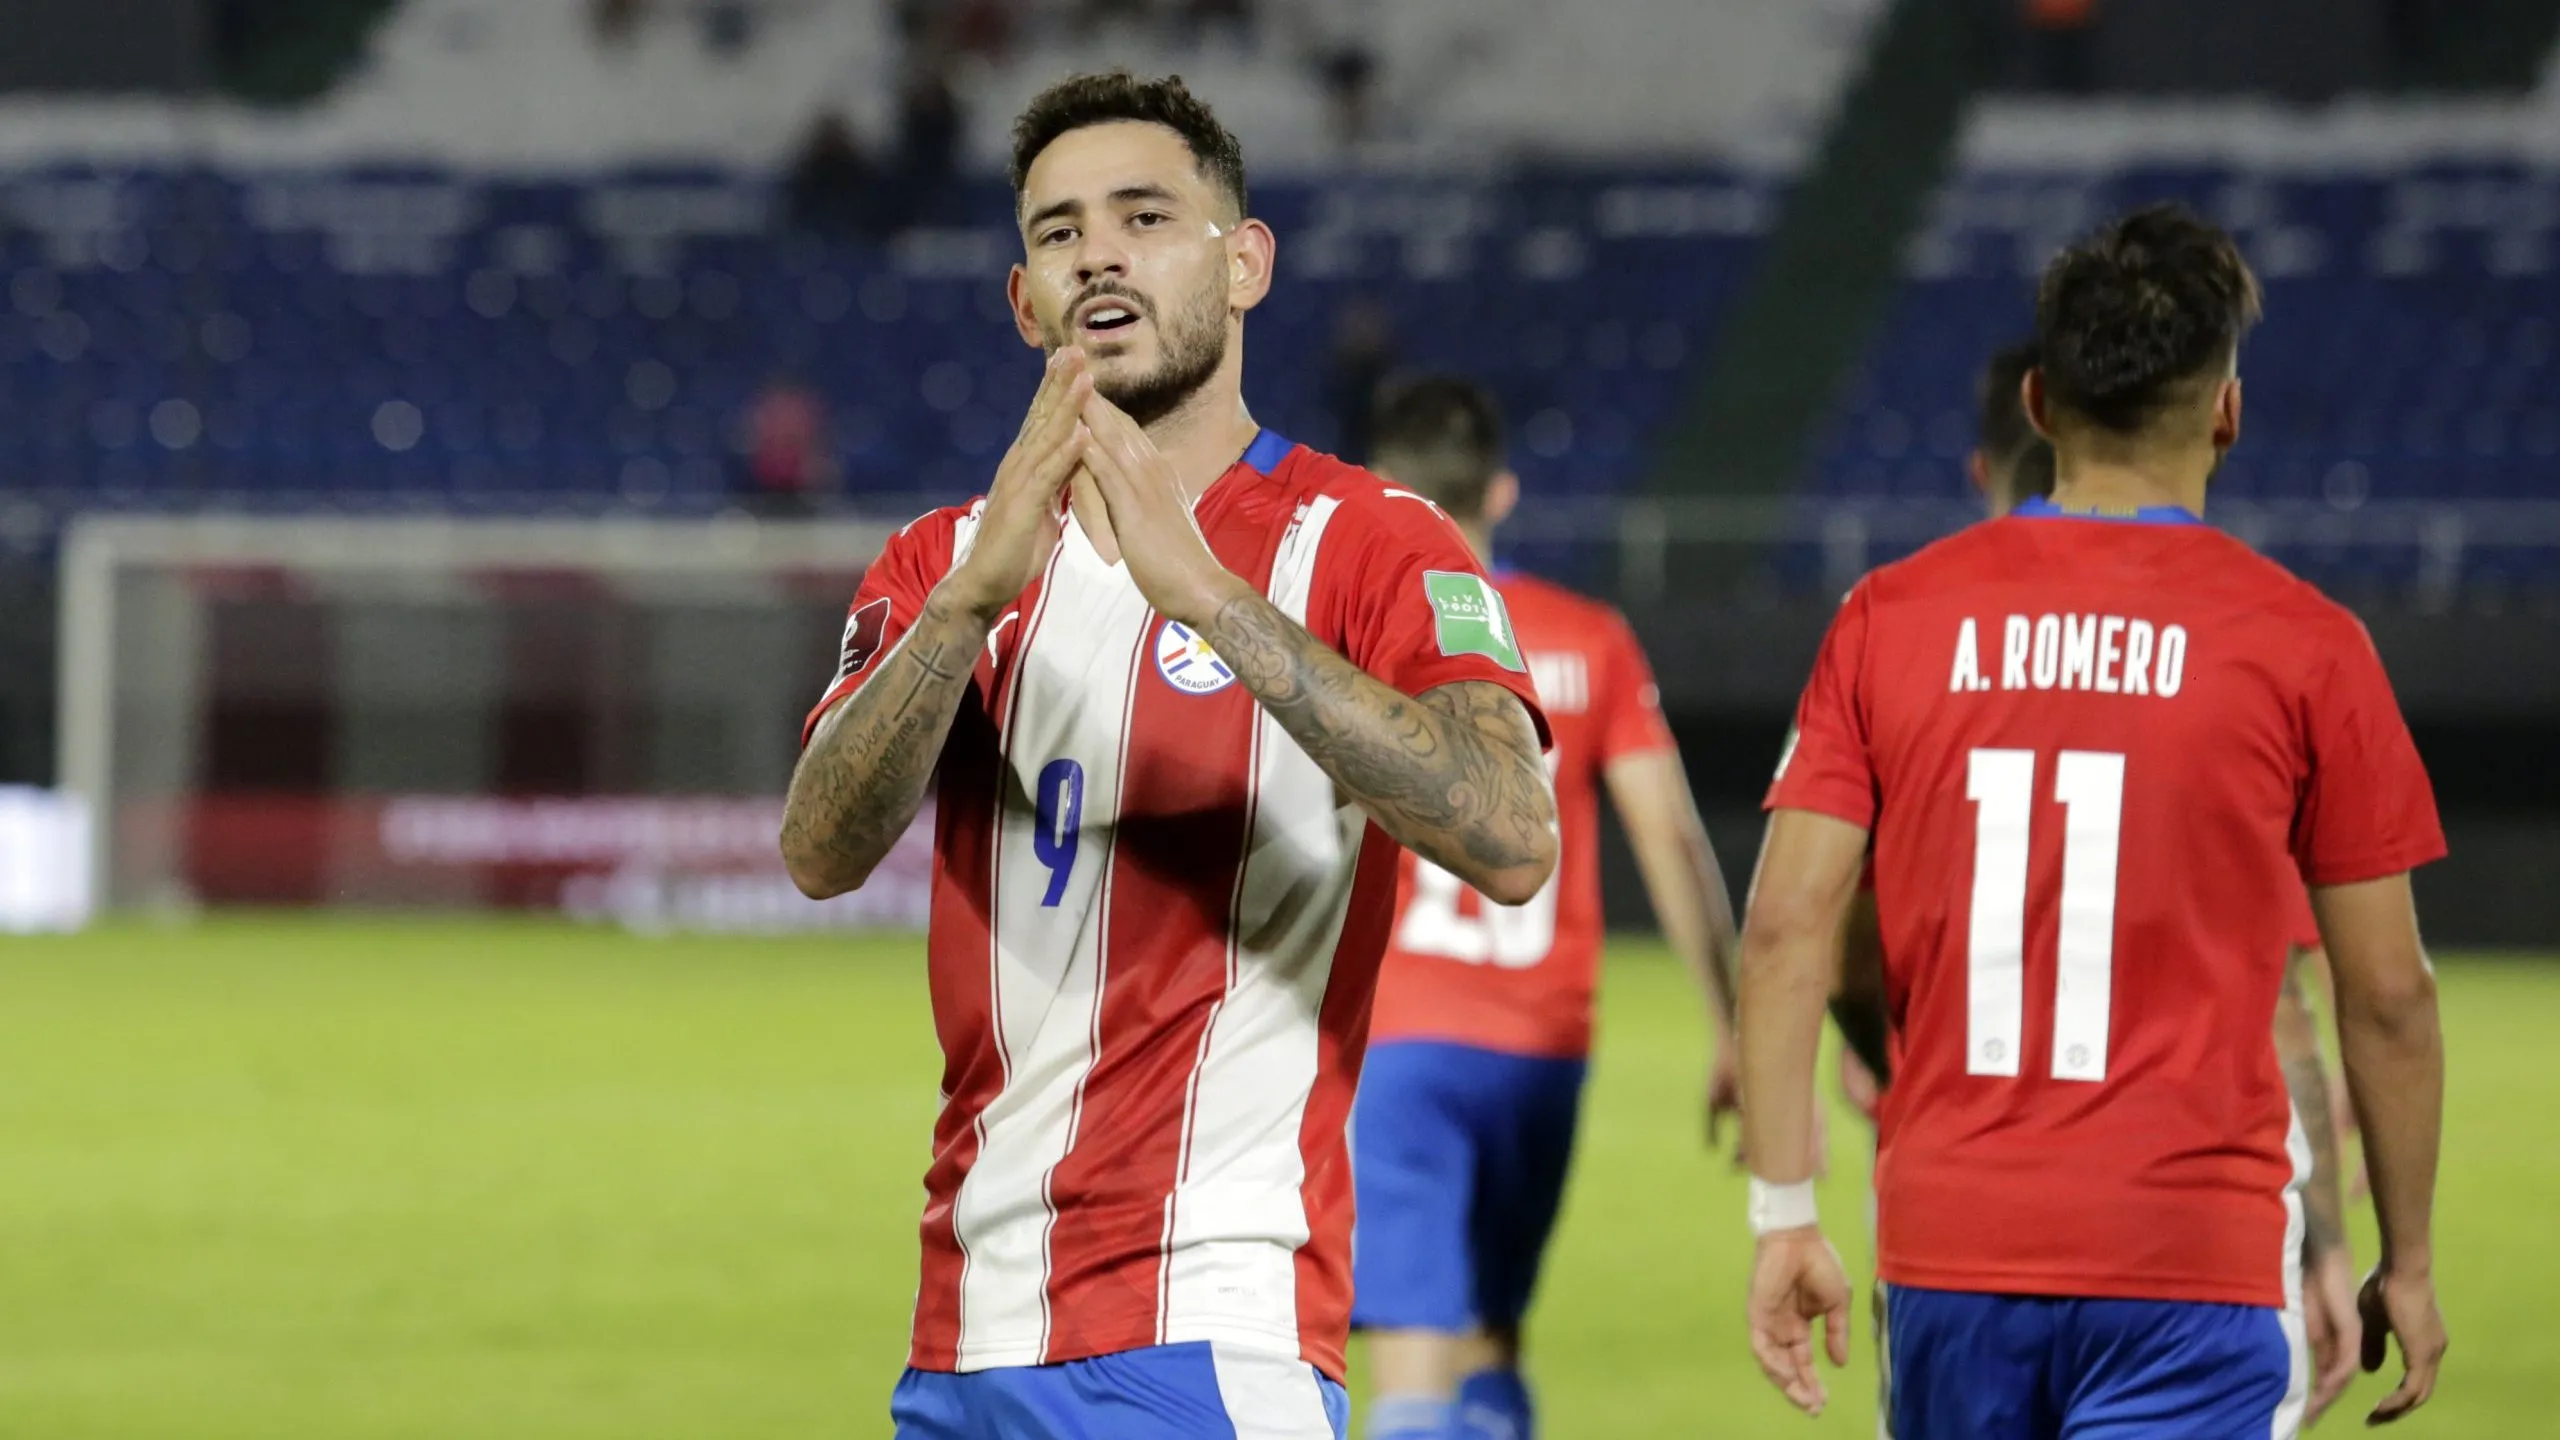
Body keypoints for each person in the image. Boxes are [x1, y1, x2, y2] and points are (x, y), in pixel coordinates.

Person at [779, 73, 1557, 1439]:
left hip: (1213, 1328)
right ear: (1024, 301)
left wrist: (1210, 600)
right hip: (964, 1338)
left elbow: (1510, 833)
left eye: (1144, 217)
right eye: (1060, 231)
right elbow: (819, 852)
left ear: (1243, 262)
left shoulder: (1370, 542)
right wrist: (963, 610)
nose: (1099, 255)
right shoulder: (943, 562)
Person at [1736, 204, 2450, 1436]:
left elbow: (1786, 925)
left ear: (2036, 403)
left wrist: (1783, 1212)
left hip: (1952, 1252)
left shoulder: (1886, 618)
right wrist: (2408, 1260)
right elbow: (2385, 994)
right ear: (2226, 412)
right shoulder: (2307, 647)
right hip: (2192, 1259)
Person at [1829, 340, 2370, 1425]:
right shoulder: (2231, 649)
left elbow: (1822, 934)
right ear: (2212, 417)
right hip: (2179, 1240)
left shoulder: (1899, 632)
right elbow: (2284, 1000)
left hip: (1954, 1225)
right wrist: (2326, 1236)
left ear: (2006, 446)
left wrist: (1895, 1061)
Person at [1347, 377, 1742, 1440]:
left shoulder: (1360, 635)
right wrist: (1731, 1026)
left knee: (1411, 1368)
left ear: (1383, 490)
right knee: (1495, 1338)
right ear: (1502, 491)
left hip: (1402, 1041)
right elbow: (1669, 834)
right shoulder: (1589, 638)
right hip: (1541, 1047)